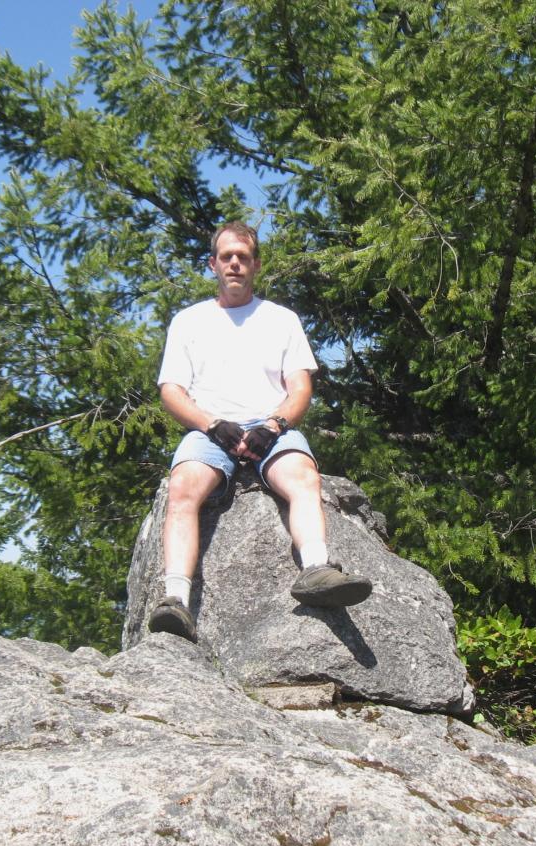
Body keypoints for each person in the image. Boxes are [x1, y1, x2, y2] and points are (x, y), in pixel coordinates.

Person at [149, 221, 372, 641]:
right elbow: (172, 391)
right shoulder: (188, 321)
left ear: (256, 264)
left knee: (304, 478)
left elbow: (301, 388)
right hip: (210, 429)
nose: (235, 264)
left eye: (244, 257)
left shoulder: (281, 320)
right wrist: (212, 426)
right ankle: (174, 600)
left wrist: (274, 426)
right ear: (213, 264)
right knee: (182, 488)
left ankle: (317, 571)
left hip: (271, 427)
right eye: (227, 256)